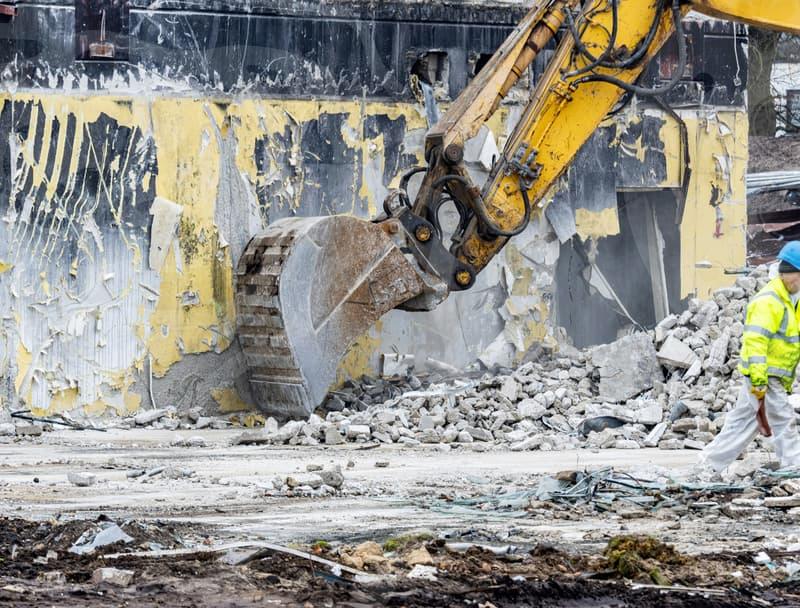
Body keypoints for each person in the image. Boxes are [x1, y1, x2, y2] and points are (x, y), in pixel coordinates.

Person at [700, 241, 800, 471]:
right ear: (789, 274)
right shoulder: (770, 301)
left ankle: (708, 466)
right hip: (766, 375)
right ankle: (794, 467)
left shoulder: (790, 301)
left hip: (769, 375)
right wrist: (759, 379)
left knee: (743, 423)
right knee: (783, 419)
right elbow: (756, 342)